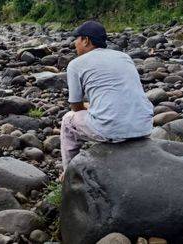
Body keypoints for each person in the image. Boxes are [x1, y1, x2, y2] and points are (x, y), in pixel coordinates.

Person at [60, 20, 153, 175]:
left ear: (86, 40)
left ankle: (69, 173)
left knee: (68, 121)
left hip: (110, 130)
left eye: (76, 39)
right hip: (144, 126)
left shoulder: (76, 64)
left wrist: (88, 107)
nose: (74, 44)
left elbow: (75, 107)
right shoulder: (124, 57)